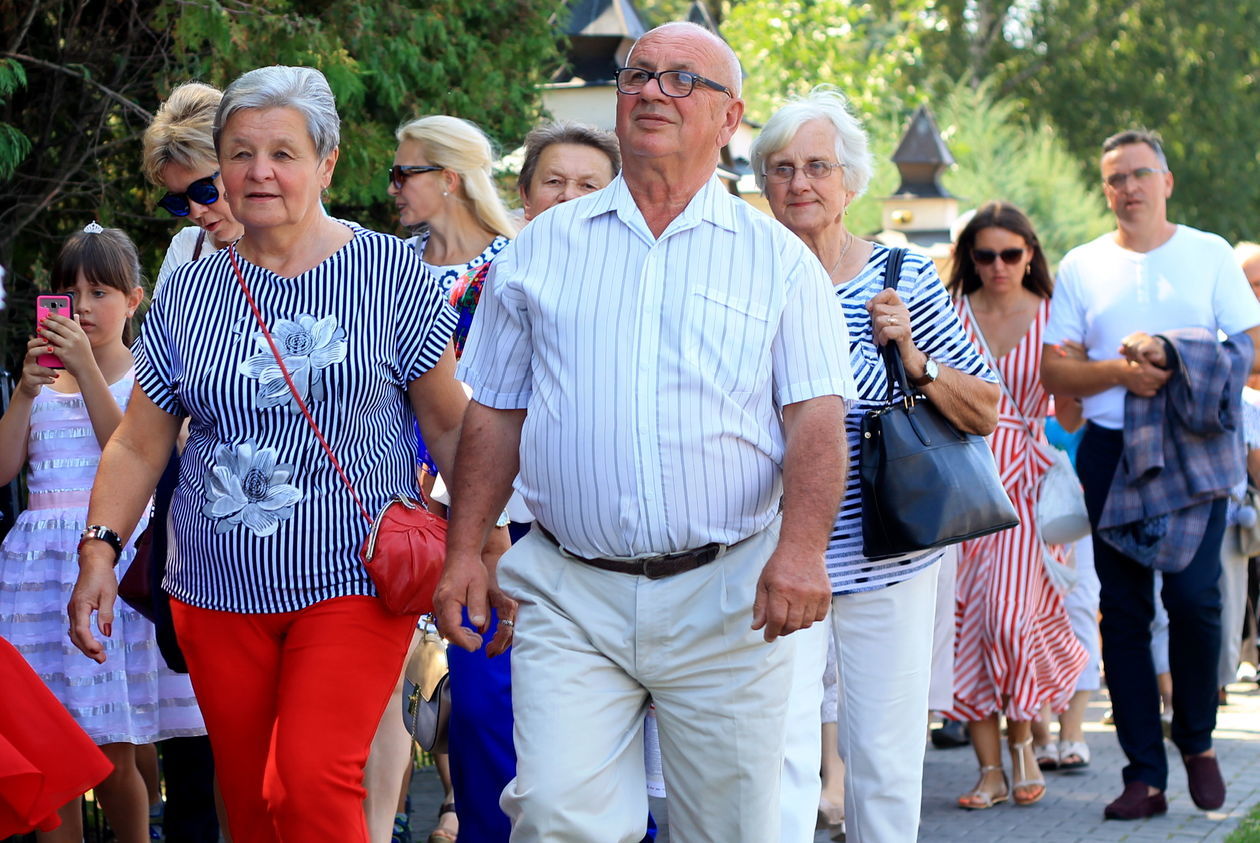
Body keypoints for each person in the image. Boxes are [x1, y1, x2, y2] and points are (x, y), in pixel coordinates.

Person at [436, 23, 856, 842]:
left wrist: (801, 551)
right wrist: (464, 549)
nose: (654, 90)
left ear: (729, 117)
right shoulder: (540, 250)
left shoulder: (779, 263)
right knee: (558, 816)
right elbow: (495, 412)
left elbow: (816, 418)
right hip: (569, 588)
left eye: (682, 80)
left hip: (729, 593)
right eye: (639, 75)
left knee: (734, 827)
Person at [66, 66, 471, 843]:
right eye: (241, 153)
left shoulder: (392, 275)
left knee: (311, 782)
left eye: (283, 152)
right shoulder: (189, 291)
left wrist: (480, 542)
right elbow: (141, 439)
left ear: (326, 162)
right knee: (250, 806)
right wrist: (99, 550)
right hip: (215, 589)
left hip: (351, 575)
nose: (259, 171)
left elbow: (451, 426)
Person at [749, 87, 998, 841]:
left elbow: (985, 405)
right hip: (773, 555)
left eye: (818, 166)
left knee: (885, 761)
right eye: (782, 167)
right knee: (776, 756)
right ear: (762, 182)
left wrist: (914, 357)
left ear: (850, 181)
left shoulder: (904, 277)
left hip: (886, 553)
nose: (800, 183)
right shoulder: (742, 276)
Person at [1042, 128, 1260, 821]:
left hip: (1196, 452)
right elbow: (1056, 368)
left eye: (1140, 173)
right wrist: (1120, 372)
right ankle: (1144, 774)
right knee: (1126, 614)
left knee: (1197, 601)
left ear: (1167, 181)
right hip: (1112, 452)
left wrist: (1174, 353)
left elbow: (1249, 345)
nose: (1128, 187)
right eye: (1114, 178)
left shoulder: (1210, 254)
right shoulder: (1081, 264)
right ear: (1105, 190)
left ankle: (1196, 738)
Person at [0, 225, 204, 843]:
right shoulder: (37, 378)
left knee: (114, 747)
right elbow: (5, 470)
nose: (83, 306)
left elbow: (131, 447)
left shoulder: (149, 375)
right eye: (69, 292)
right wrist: (24, 394)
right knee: (46, 744)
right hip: (36, 577)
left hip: (108, 568)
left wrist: (86, 370)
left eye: (100, 292)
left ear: (135, 299)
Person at [945, 201, 1088, 809]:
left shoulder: (1054, 316)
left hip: (1026, 482)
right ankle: (990, 769)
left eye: (1011, 253)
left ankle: (1024, 739)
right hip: (961, 477)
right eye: (985, 255)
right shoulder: (949, 312)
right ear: (969, 260)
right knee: (966, 626)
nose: (999, 266)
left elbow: (1071, 412)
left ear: (1030, 254)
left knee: (1011, 622)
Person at [142, 82, 245, 291]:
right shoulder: (187, 249)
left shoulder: (301, 251)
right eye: (178, 202)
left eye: (203, 191)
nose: (196, 211)